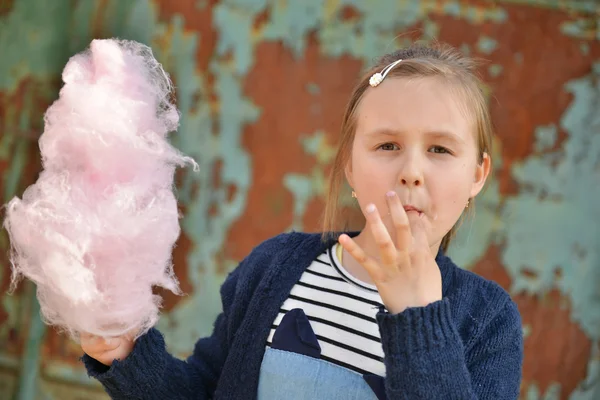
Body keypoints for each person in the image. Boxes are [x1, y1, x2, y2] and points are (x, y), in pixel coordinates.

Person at [80, 43, 523, 400]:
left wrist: (418, 316)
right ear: (349, 165)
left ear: (477, 176)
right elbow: (204, 390)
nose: (412, 170)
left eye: (440, 150)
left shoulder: (487, 319)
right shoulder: (275, 266)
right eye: (387, 145)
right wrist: (128, 355)